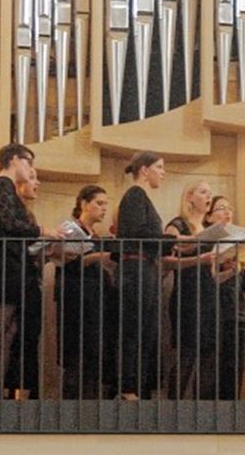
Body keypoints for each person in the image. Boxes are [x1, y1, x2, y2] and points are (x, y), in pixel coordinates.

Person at [0, 144, 60, 399]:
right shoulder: (1, 184)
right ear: (14, 160)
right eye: (29, 162)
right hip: (2, 268)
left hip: (11, 268)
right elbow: (10, 223)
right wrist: (43, 231)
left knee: (9, 332)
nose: (31, 169)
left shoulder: (7, 189)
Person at [112, 151, 174, 399]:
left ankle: (138, 388)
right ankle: (129, 388)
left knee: (146, 329)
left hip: (144, 268)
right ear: (144, 170)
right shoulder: (135, 194)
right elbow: (139, 234)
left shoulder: (140, 196)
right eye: (159, 166)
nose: (163, 172)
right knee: (135, 327)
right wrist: (173, 239)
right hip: (136, 270)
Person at [164, 182, 229, 399]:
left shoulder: (209, 230)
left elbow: (210, 273)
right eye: (203, 192)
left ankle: (202, 410)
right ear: (189, 196)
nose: (208, 197)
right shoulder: (177, 226)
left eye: (210, 194)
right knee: (186, 353)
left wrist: (232, 271)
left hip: (209, 296)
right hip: (187, 296)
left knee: (209, 354)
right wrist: (197, 259)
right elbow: (165, 262)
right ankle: (175, 408)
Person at [55, 185, 116, 399]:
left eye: (106, 204)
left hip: (96, 297)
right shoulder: (71, 228)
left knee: (94, 353)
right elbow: (68, 262)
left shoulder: (95, 234)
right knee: (76, 354)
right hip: (76, 297)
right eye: (99, 203)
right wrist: (101, 257)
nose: (104, 208)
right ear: (83, 203)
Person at [201, 195, 245, 399]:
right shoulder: (205, 244)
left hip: (238, 314)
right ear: (208, 218)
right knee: (212, 370)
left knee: (235, 371)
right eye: (221, 208)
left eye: (229, 208)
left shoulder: (240, 243)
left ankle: (230, 414)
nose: (227, 212)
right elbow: (208, 280)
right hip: (214, 313)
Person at [7, 168, 44, 398]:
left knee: (29, 343)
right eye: (31, 178)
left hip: (30, 283)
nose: (36, 183)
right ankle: (8, 394)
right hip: (15, 283)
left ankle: (27, 395)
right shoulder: (13, 217)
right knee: (12, 341)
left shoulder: (30, 217)